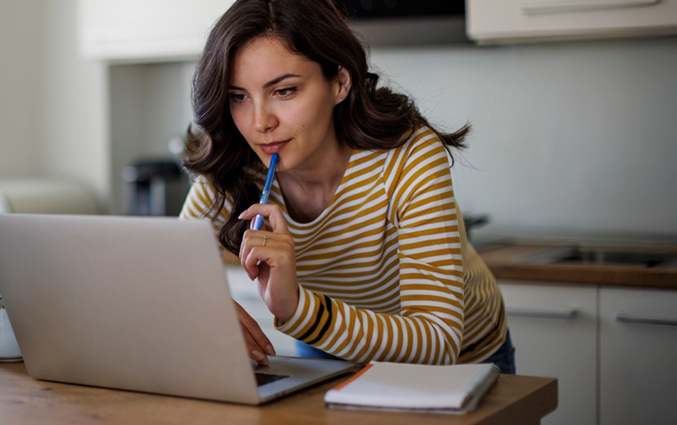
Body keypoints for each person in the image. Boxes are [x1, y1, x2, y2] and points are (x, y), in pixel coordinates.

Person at [178, 0, 515, 373]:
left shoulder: (409, 156)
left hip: (459, 362)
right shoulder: (235, 164)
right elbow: (166, 271)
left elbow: (439, 340)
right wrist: (205, 308)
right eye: (238, 97)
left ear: (339, 82)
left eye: (285, 91)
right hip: (329, 348)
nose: (260, 123)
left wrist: (296, 309)